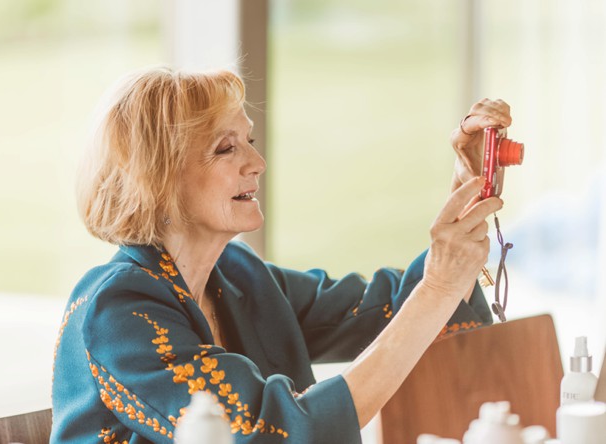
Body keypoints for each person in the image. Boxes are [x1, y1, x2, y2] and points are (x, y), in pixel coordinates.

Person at [51, 67, 511, 443]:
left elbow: (388, 309)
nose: (257, 162)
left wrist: (468, 195)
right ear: (157, 178)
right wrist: (436, 289)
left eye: (248, 140)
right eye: (225, 147)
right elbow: (270, 434)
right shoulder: (118, 309)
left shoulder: (238, 276)